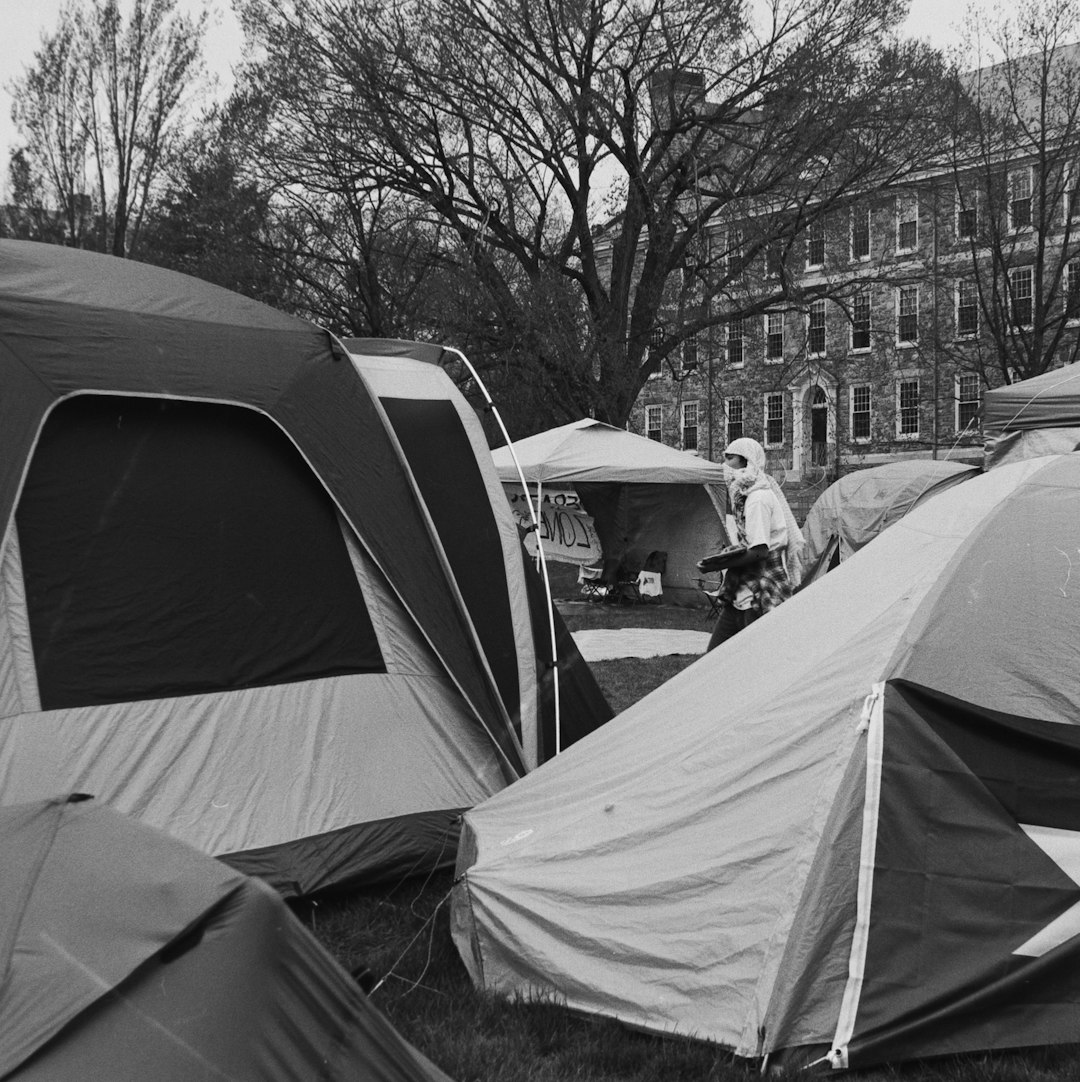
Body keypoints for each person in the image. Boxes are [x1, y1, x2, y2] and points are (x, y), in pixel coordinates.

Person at [705, 437, 803, 651]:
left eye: (729, 458)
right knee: (714, 657)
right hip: (740, 590)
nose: (724, 465)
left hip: (760, 588)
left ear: (746, 461)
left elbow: (759, 551)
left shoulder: (758, 498)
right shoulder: (746, 496)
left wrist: (718, 564)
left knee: (755, 657)